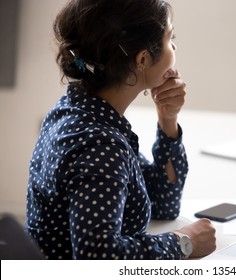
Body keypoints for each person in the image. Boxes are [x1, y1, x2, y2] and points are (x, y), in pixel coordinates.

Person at [25, 0, 216, 260]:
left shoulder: (78, 109)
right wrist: (183, 242)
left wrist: (167, 119)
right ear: (142, 59)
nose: (174, 46)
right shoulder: (101, 145)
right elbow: (99, 258)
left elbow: (163, 203)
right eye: (170, 38)